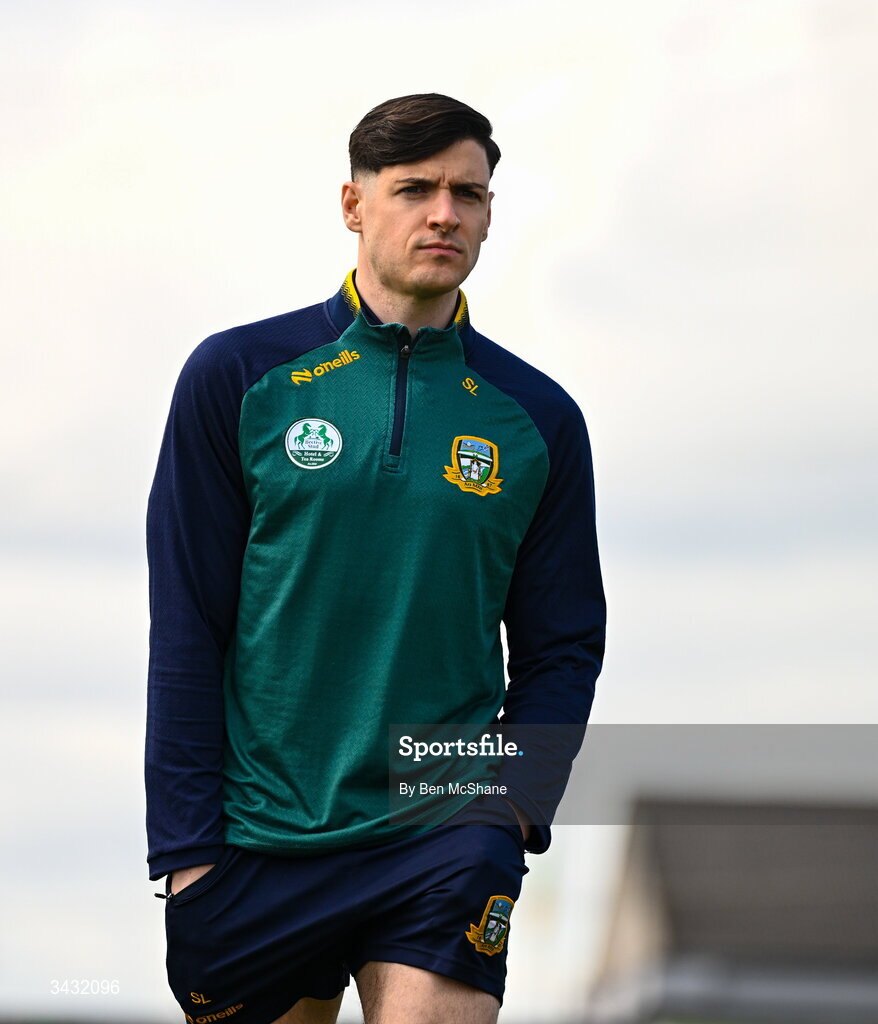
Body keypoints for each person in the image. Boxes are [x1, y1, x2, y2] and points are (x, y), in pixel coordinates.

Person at [146, 93, 605, 1024]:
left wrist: (512, 803)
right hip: (256, 835)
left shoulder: (538, 418)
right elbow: (188, 622)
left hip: (442, 827)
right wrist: (185, 851)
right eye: (417, 189)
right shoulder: (237, 378)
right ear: (355, 205)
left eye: (469, 194)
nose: (446, 214)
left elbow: (564, 646)